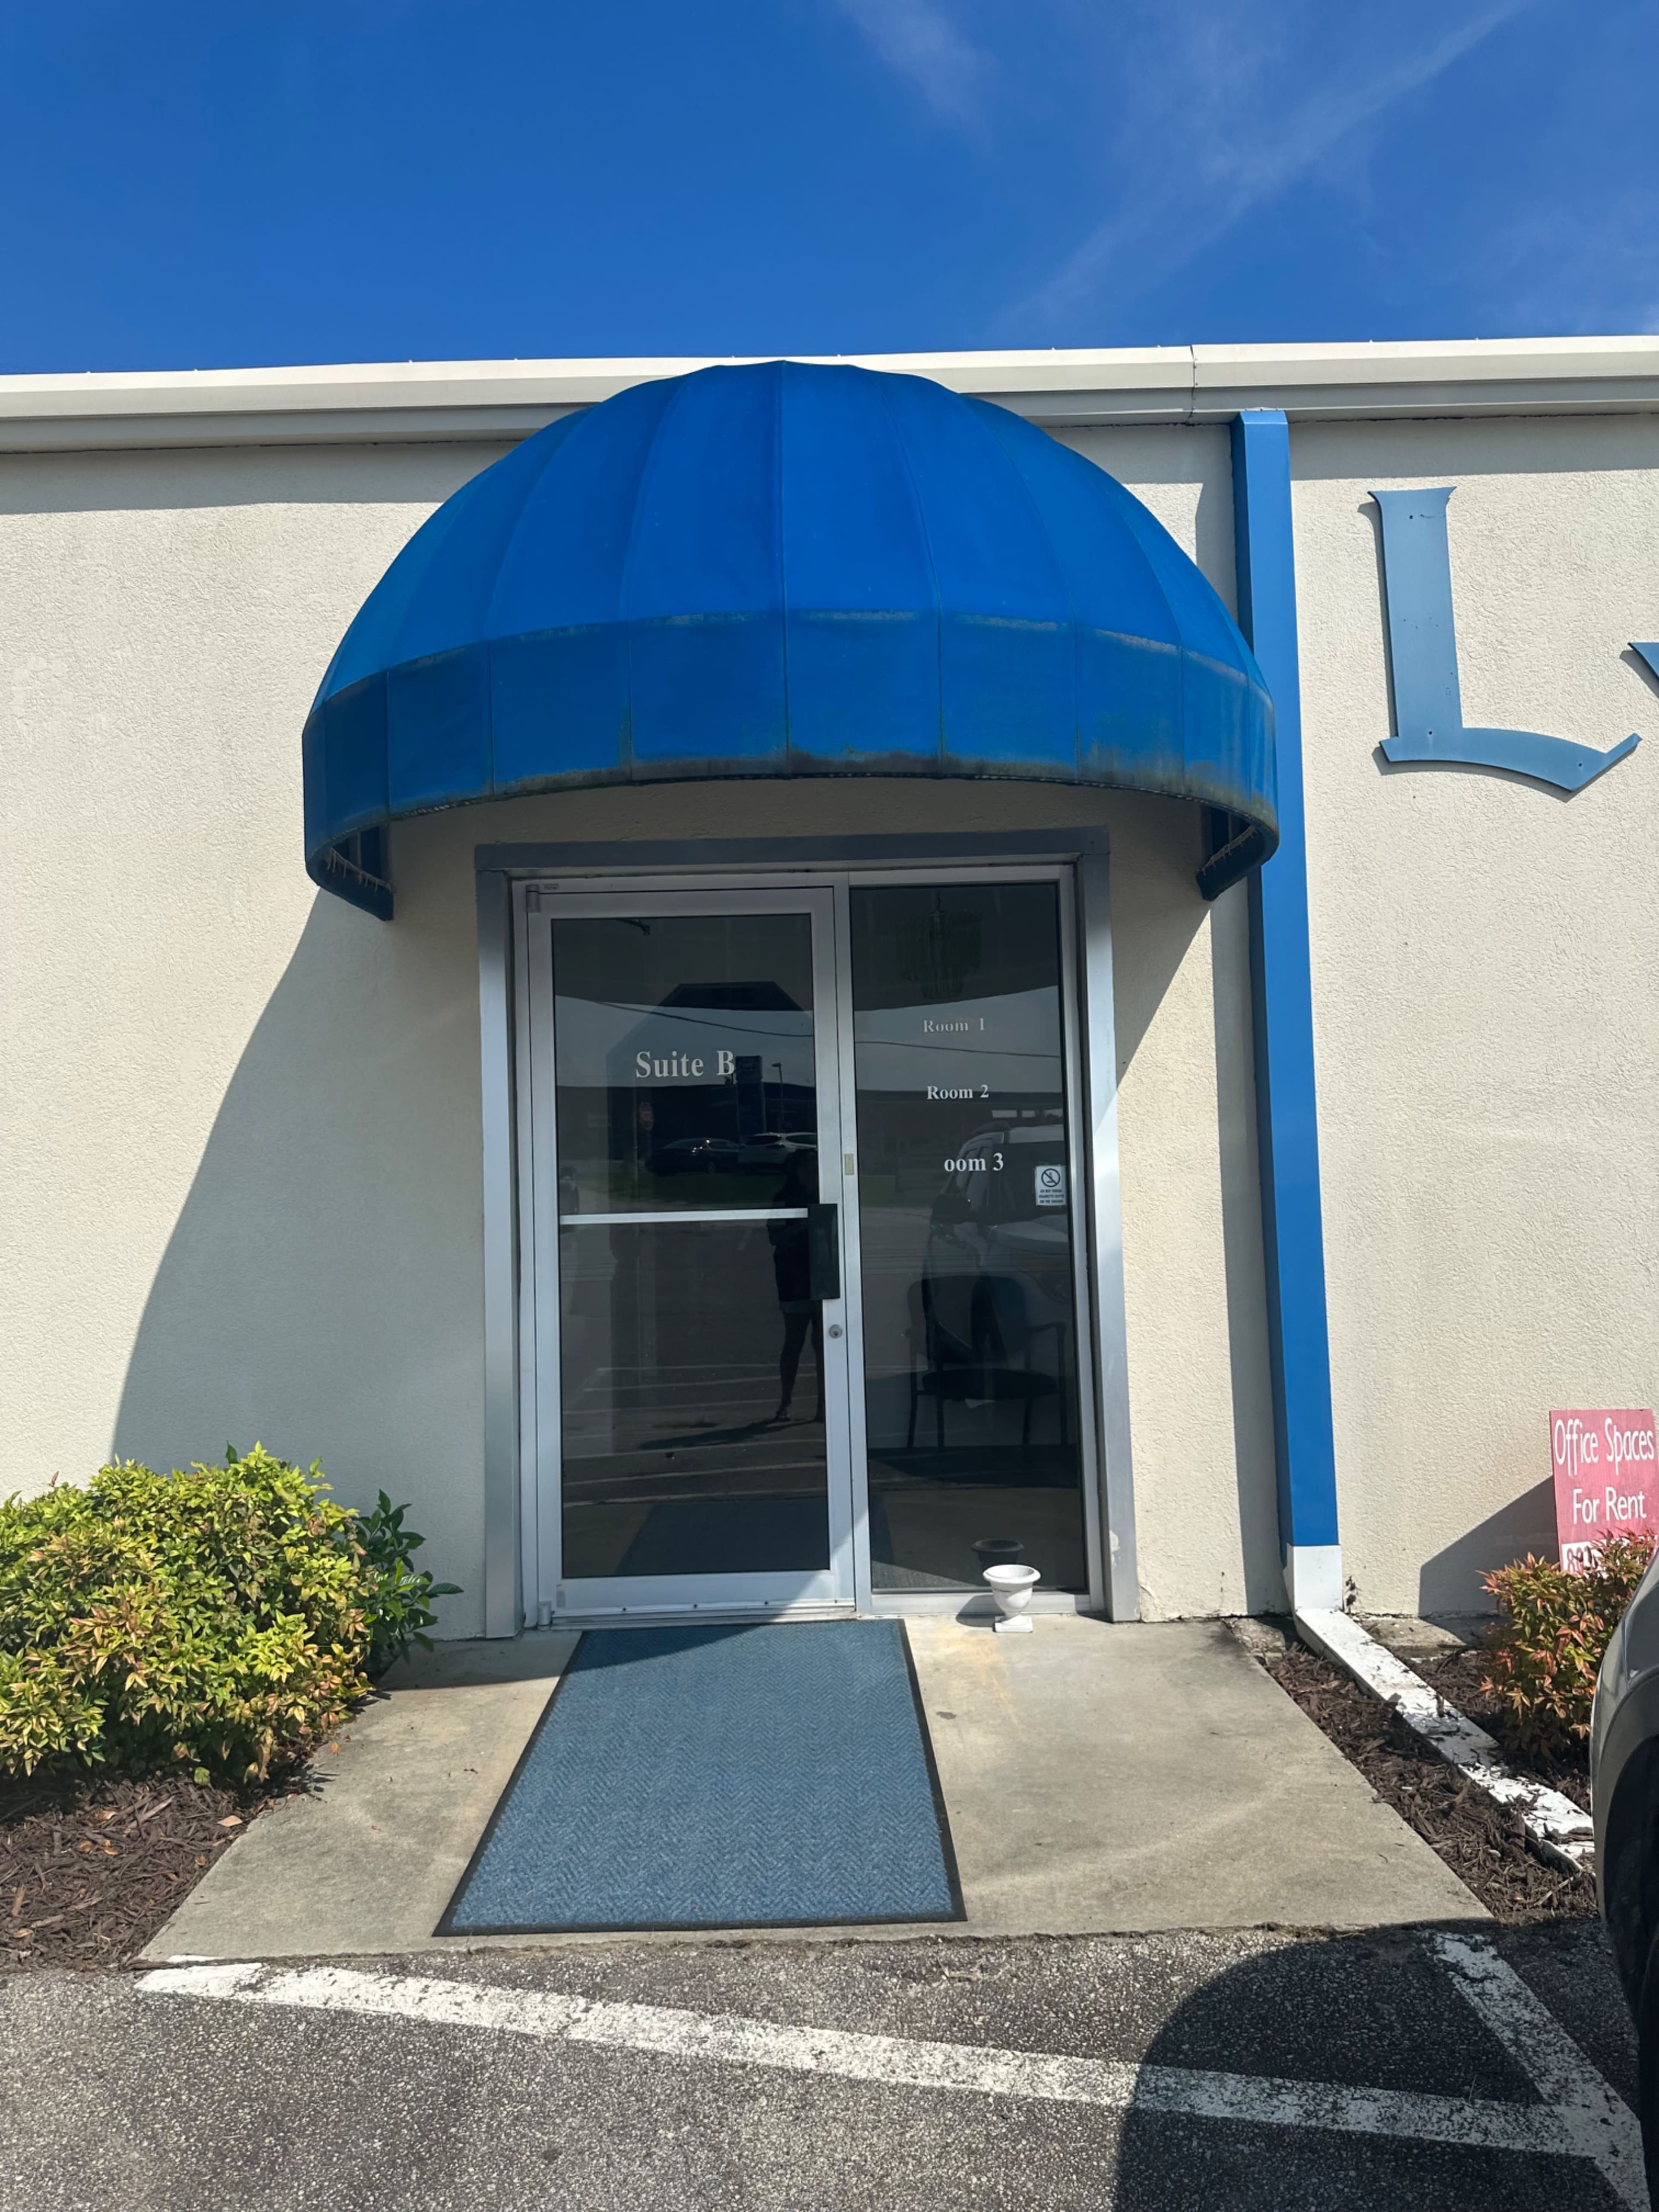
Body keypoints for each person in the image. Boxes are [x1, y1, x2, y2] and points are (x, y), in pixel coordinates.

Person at [767, 1148, 823, 1424]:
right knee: (794, 1340)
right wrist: (802, 1226)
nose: (811, 1176)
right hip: (794, 1276)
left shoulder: (828, 1196)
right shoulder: (784, 1199)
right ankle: (785, 1402)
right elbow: (775, 1236)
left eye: (815, 1170)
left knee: (825, 1343)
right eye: (806, 1170)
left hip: (825, 1275)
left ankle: (825, 1403)